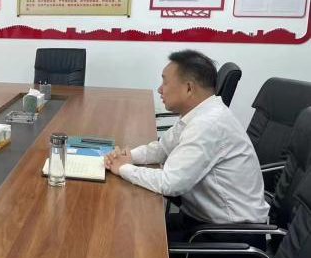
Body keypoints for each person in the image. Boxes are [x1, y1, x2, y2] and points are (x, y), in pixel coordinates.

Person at [104, 50, 269, 241]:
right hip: (205, 219)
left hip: (231, 235)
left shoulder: (208, 124)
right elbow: (161, 149)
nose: (160, 89)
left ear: (189, 88)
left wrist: (123, 168)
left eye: (165, 82)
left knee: (130, 239)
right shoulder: (198, 114)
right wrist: (129, 156)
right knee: (130, 229)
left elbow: (169, 183)